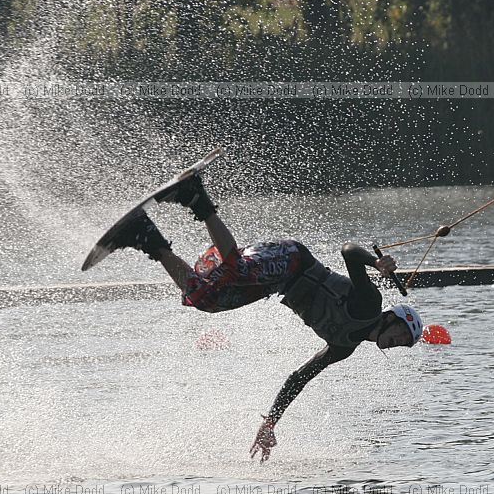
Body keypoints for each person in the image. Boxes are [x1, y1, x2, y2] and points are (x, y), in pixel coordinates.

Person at [98, 171, 424, 462]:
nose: (397, 344)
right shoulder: (369, 304)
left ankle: (146, 237)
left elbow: (299, 378)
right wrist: (377, 265)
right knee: (234, 268)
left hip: (276, 283)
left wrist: (269, 422)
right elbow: (349, 250)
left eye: (403, 345)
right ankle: (196, 198)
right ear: (392, 318)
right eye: (401, 335)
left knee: (204, 299)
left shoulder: (344, 346)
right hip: (292, 261)